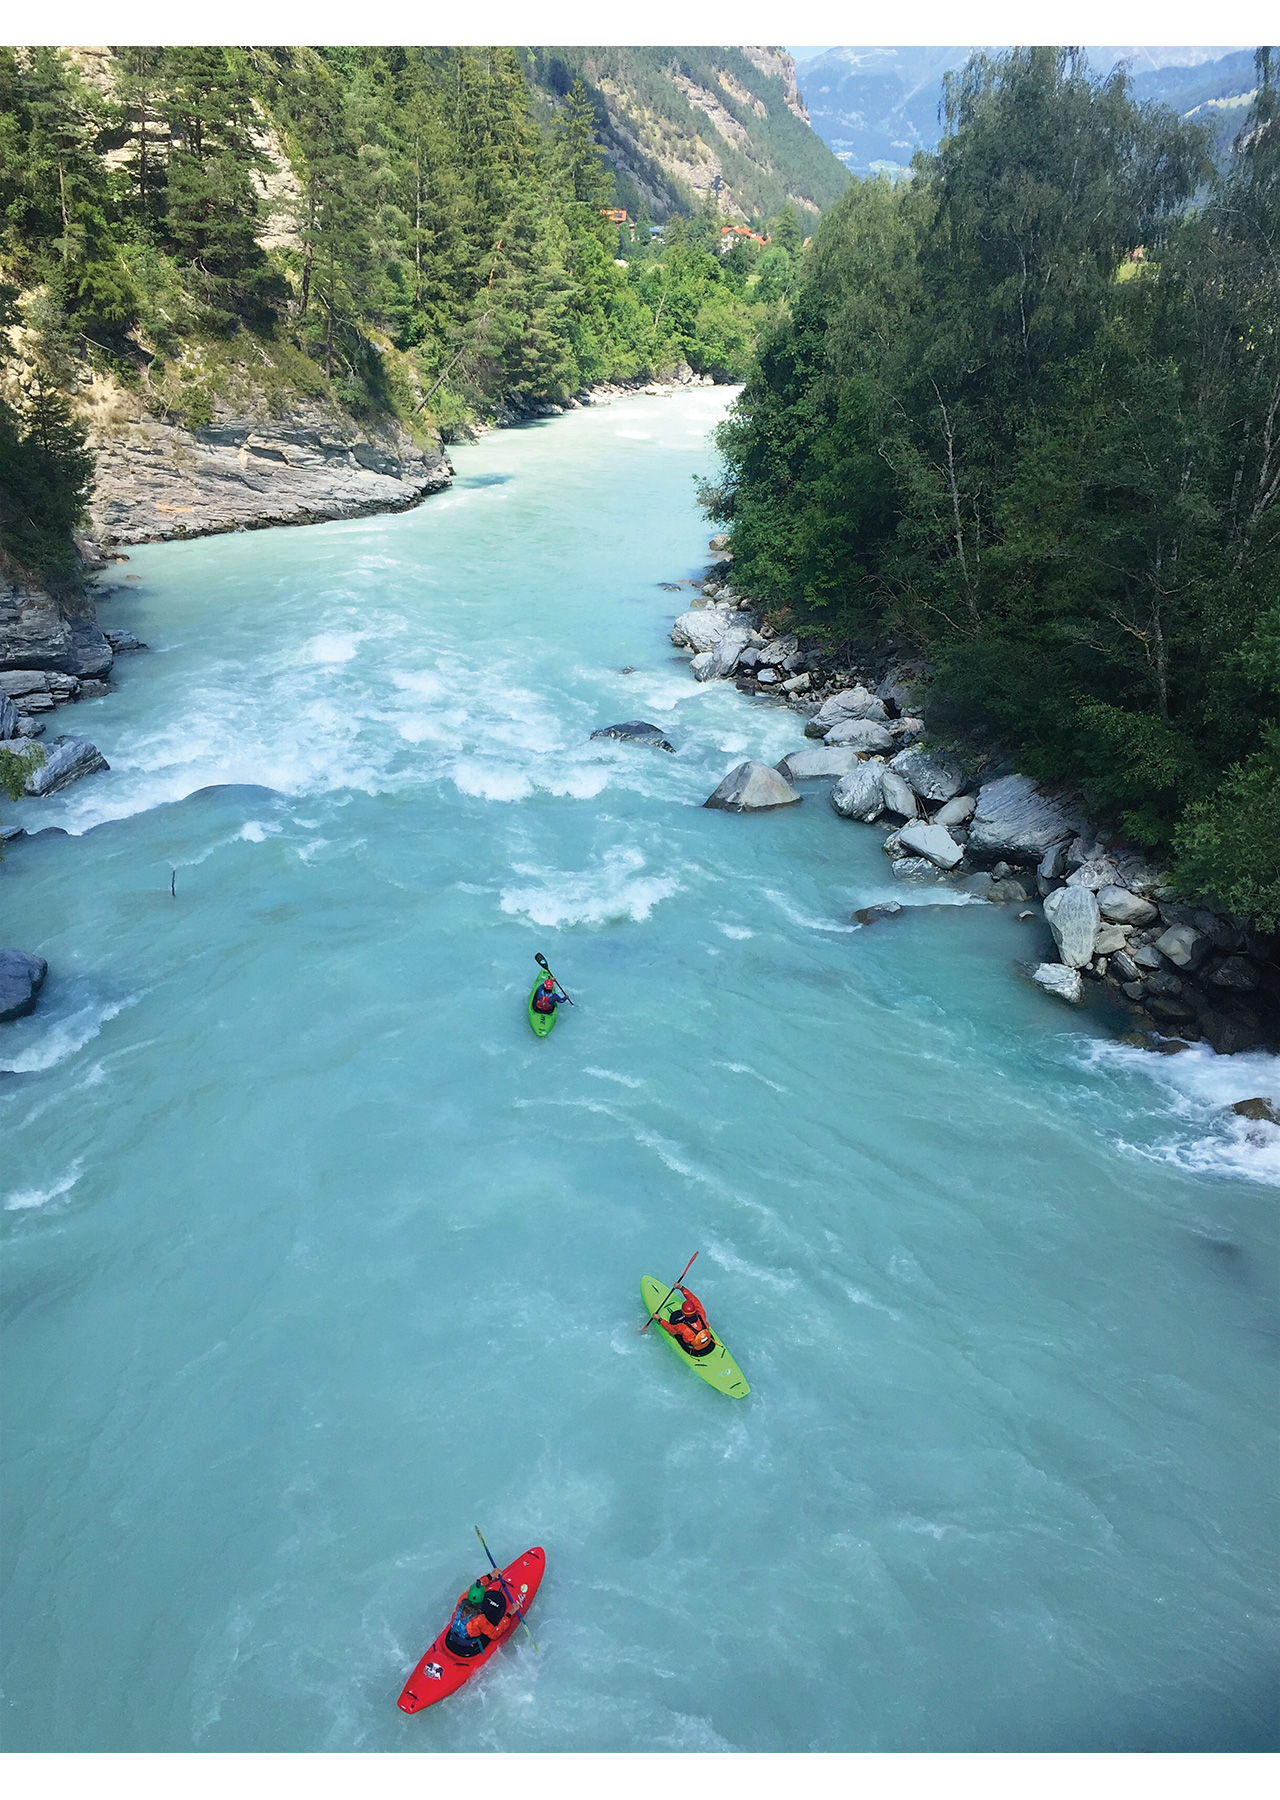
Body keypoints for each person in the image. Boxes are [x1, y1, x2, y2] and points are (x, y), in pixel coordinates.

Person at [443, 1576, 508, 1657]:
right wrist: (508, 1616)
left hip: (453, 1638)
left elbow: (474, 1587)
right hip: (469, 1646)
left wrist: (490, 1576)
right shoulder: (479, 1619)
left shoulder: (461, 1600)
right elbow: (495, 1634)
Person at [659, 1285, 716, 1357]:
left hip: (696, 1350)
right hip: (708, 1344)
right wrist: (681, 1288)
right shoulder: (701, 1314)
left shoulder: (682, 1327)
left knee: (677, 1334)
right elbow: (694, 1300)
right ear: (695, 1311)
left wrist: (659, 1319)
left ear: (683, 1313)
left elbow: (671, 1329)